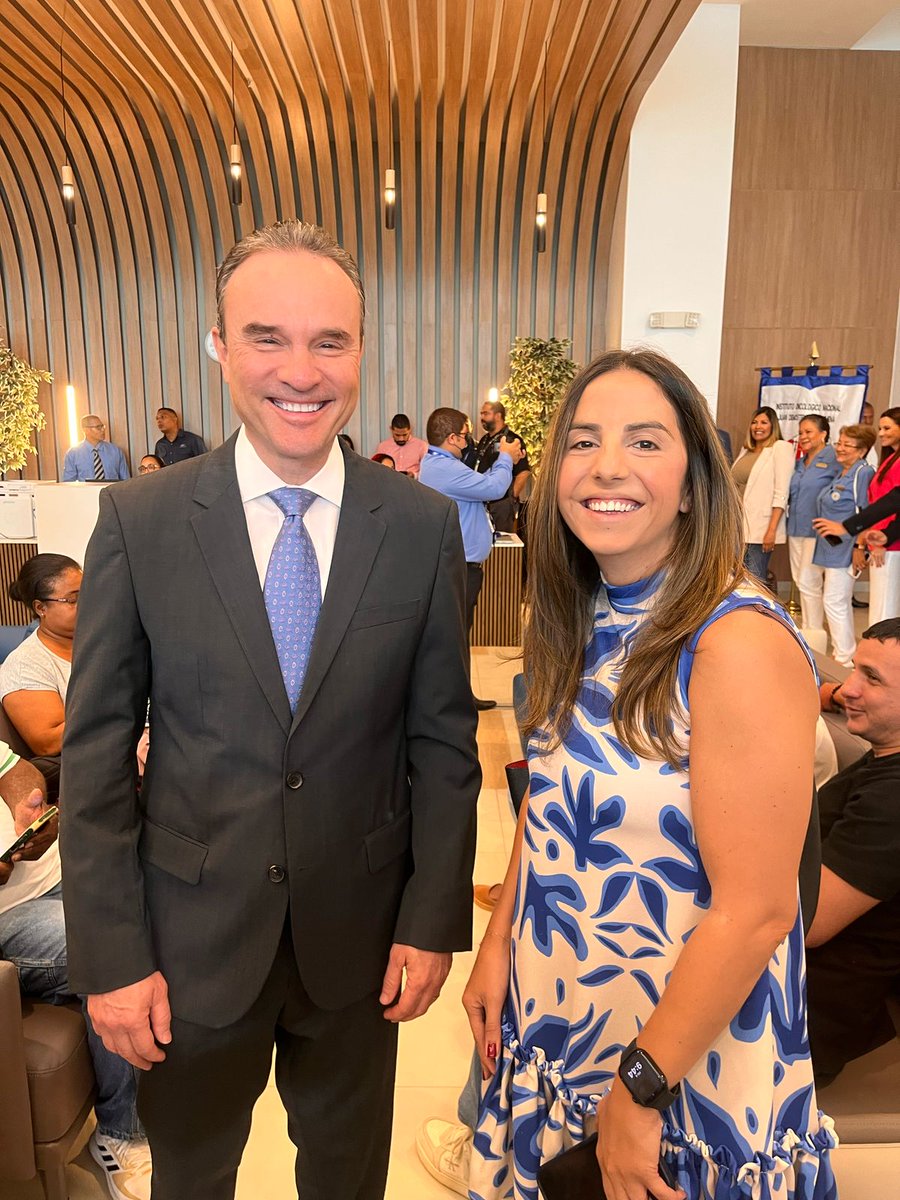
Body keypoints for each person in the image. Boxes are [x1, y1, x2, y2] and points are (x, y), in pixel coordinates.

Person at [59, 219, 479, 1200]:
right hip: (189, 945)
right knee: (192, 1176)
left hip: (361, 942)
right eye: (267, 337)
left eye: (329, 341)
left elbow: (443, 744)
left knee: (347, 1179)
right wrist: (111, 957)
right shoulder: (141, 521)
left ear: (362, 351)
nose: (301, 371)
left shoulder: (416, 526)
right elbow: (97, 755)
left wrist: (432, 920)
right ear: (219, 346)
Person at [463, 349, 836, 1200]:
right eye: (583, 441)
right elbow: (552, 799)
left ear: (695, 481)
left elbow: (757, 910)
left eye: (643, 441)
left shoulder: (735, 641)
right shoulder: (585, 612)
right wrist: (498, 940)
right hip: (564, 1010)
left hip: (680, 1057)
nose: (606, 467)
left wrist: (639, 1090)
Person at [0, 742, 151, 1200]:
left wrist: (30, 810)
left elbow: (16, 769)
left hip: (60, 868)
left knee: (167, 896)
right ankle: (121, 1135)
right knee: (113, 949)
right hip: (10, 915)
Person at [805, 619, 900, 1087]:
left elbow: (811, 923)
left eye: (872, 678)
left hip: (808, 1014)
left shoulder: (892, 798)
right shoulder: (885, 755)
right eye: (854, 670)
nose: (850, 690)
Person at [419, 407, 523, 711]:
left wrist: (502, 460)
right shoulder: (443, 468)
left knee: (459, 632)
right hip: (458, 565)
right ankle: (455, 699)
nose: (469, 442)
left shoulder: (446, 466)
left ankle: (460, 694)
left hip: (462, 564)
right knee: (455, 633)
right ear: (452, 438)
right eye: (466, 436)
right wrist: (506, 458)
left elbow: (481, 484)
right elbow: (493, 487)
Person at [0, 554, 82, 759]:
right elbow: (49, 742)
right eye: (73, 600)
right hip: (79, 763)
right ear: (41, 608)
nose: (87, 605)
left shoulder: (102, 640)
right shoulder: (25, 665)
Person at [808, 424, 876, 665]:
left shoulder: (862, 473)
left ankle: (844, 657)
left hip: (847, 547)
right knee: (837, 600)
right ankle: (844, 653)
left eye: (848, 445)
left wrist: (860, 547)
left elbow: (867, 513)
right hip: (831, 547)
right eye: (839, 442)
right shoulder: (843, 472)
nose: (840, 448)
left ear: (862, 450)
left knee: (834, 600)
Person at [730, 405, 794, 583]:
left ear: (773, 426)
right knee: (736, 580)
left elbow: (782, 492)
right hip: (737, 525)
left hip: (761, 528)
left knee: (755, 580)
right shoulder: (746, 450)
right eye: (754, 422)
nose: (758, 426)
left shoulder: (780, 448)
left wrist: (771, 530)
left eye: (764, 422)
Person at [787, 414, 838, 631]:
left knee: (809, 582)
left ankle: (813, 632)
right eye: (801, 432)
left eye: (808, 432)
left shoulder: (834, 459)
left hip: (816, 531)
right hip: (795, 528)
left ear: (823, 434)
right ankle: (809, 630)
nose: (803, 436)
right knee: (800, 581)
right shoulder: (800, 462)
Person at [863, 407, 900, 623]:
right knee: (879, 606)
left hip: (890, 545)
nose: (881, 433)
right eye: (880, 428)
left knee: (883, 609)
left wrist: (884, 541)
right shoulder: (890, 459)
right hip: (880, 541)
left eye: (887, 428)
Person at [472, 400, 531, 532]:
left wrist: (510, 498)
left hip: (501, 503)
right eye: (481, 414)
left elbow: (523, 472)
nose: (482, 417)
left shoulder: (512, 440)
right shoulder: (484, 439)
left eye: (486, 413)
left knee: (501, 540)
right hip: (483, 499)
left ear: (498, 415)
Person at [62, 415, 130, 481]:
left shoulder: (115, 451)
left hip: (112, 489)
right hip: (86, 489)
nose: (103, 430)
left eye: (103, 426)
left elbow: (126, 481)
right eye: (98, 427)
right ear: (85, 430)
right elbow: (69, 483)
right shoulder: (73, 454)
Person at [372, 413, 428, 477]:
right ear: (391, 429)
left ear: (410, 429)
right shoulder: (383, 447)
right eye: (397, 435)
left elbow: (427, 471)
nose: (401, 439)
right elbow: (377, 469)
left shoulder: (422, 446)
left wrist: (414, 475)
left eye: (405, 435)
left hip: (412, 482)